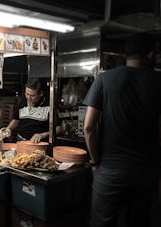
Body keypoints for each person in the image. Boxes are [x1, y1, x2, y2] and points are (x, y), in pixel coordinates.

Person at [83, 32, 161, 227]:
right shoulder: (158, 81)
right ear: (151, 54)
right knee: (139, 221)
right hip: (146, 170)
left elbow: (88, 127)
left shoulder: (104, 79)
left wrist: (94, 162)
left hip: (110, 171)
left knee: (102, 223)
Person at [0, 77, 64, 143]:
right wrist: (7, 129)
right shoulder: (22, 102)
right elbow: (16, 121)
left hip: (39, 143)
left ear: (41, 94)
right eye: (27, 94)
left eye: (33, 95)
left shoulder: (49, 106)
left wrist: (43, 135)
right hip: (21, 141)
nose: (29, 98)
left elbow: (59, 129)